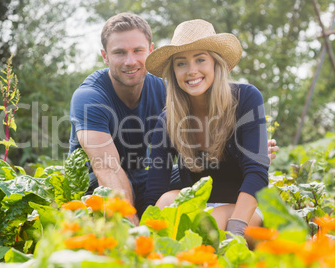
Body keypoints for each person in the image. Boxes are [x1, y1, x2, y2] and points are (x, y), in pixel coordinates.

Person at [69, 13, 279, 225]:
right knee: (165, 199)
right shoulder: (91, 98)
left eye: (137, 51)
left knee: (223, 188)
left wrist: (251, 154)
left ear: (150, 50)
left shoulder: (172, 91)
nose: (130, 61)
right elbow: (108, 169)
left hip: (158, 182)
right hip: (104, 187)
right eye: (120, 52)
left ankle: (234, 216)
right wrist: (137, 231)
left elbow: (254, 171)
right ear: (105, 56)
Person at [141, 19, 270, 238]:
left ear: (215, 63)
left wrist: (236, 228)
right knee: (166, 202)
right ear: (173, 72)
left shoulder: (246, 98)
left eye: (200, 59)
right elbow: (155, 190)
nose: (191, 71)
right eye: (181, 63)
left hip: (244, 209)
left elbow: (257, 173)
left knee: (211, 224)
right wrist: (145, 234)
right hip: (201, 208)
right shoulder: (167, 120)